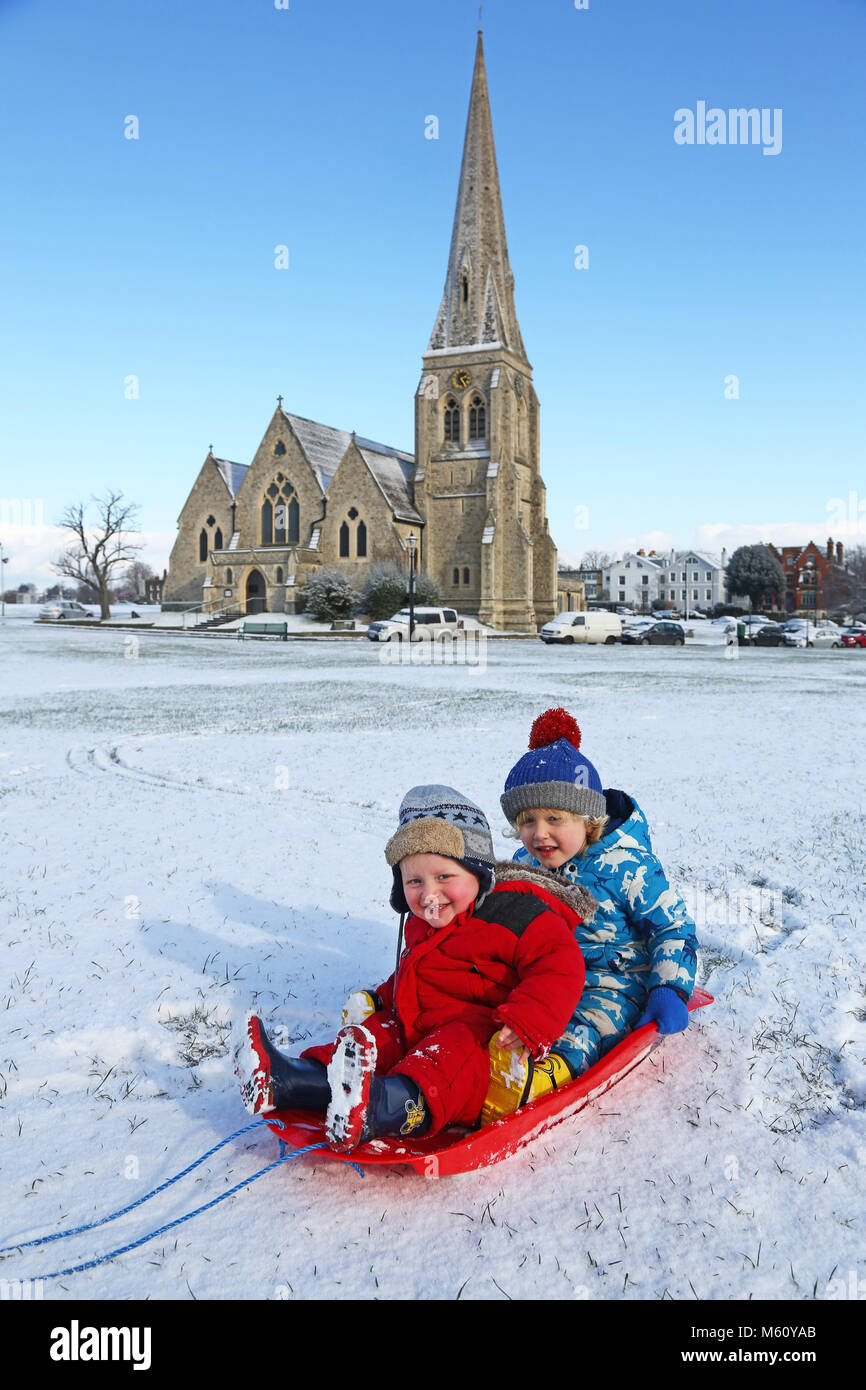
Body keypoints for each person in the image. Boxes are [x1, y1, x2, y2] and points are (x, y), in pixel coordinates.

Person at [234, 784, 592, 1153]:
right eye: (414, 881)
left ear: (478, 872)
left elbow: (561, 964)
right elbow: (419, 972)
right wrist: (384, 997)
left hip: (478, 1043)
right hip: (417, 1026)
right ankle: (290, 1081)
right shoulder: (423, 923)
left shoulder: (516, 914)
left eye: (444, 878)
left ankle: (382, 1108)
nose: (428, 895)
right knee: (374, 1036)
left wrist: (528, 1021)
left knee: (443, 1056)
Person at [486, 707, 699, 1120]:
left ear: (588, 820)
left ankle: (543, 1076)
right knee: (505, 1008)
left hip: (613, 982)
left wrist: (669, 989)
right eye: (527, 820)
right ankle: (485, 1061)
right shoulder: (522, 865)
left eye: (554, 818)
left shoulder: (628, 865)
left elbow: (672, 928)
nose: (539, 833)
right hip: (545, 975)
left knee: (587, 1025)